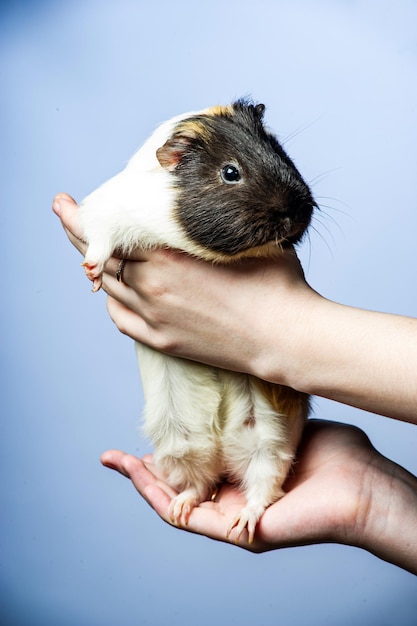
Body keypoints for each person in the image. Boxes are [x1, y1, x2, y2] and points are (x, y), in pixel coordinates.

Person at [52, 193, 417, 574]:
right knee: (177, 437)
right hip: (189, 428)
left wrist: (284, 328)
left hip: (259, 426)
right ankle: (196, 485)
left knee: (263, 436)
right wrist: (372, 501)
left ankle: (254, 493)